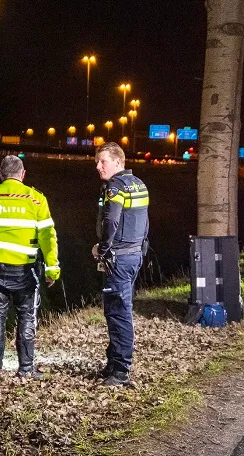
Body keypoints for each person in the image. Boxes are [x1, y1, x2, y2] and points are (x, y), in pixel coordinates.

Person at [0, 155, 60, 379]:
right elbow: (48, 238)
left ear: (0, 174)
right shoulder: (36, 200)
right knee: (26, 316)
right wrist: (53, 270)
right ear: (23, 174)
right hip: (25, 271)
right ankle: (26, 369)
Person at [92, 142, 149, 386]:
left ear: (117, 161)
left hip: (119, 258)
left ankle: (121, 370)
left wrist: (102, 249)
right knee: (118, 309)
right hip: (133, 255)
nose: (98, 166)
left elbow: (111, 221)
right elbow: (145, 221)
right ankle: (114, 363)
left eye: (102, 161)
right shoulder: (139, 184)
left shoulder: (115, 188)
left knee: (118, 312)